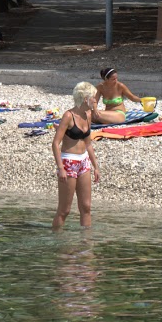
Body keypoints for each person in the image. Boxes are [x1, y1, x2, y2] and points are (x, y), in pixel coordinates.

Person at [52, 81, 101, 231]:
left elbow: (88, 143)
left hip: (83, 161)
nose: (96, 100)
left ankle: (86, 244)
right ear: (85, 98)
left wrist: (96, 166)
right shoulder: (68, 116)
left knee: (86, 207)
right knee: (64, 210)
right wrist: (61, 168)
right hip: (68, 162)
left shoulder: (88, 115)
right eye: (93, 97)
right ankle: (56, 239)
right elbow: (55, 144)